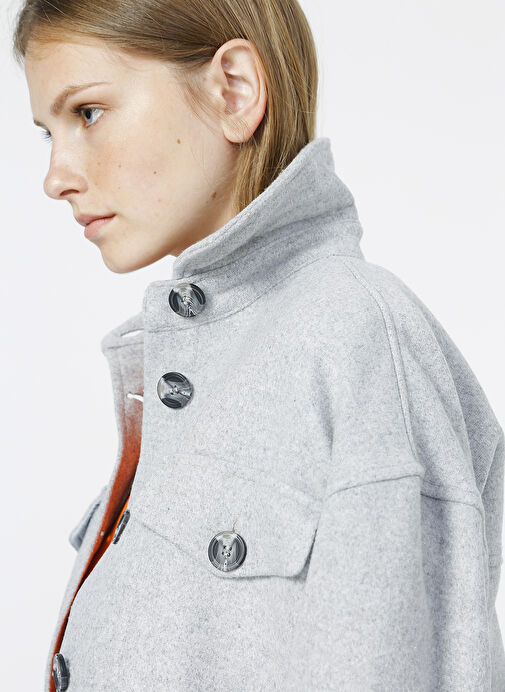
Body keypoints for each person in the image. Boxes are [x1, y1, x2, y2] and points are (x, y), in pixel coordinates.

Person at [12, 1, 504, 690]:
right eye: (48, 132)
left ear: (234, 91)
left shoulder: (354, 339)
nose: (56, 176)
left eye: (88, 113)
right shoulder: (206, 362)